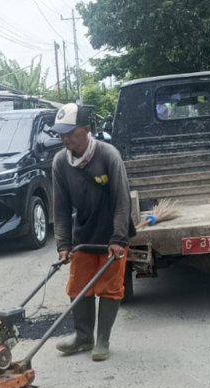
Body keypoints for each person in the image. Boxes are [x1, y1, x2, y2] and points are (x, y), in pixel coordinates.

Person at [51, 103, 133, 361]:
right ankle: (83, 336)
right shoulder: (60, 162)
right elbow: (61, 208)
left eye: (70, 133)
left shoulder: (108, 155)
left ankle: (102, 340)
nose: (65, 139)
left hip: (112, 233)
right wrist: (63, 245)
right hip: (84, 234)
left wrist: (119, 238)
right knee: (78, 286)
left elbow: (122, 200)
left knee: (110, 287)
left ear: (87, 130)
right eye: (61, 133)